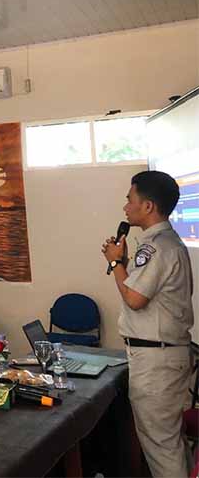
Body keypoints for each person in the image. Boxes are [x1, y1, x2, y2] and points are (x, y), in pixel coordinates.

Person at [101, 170, 194, 478]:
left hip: (157, 362)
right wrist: (124, 263)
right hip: (161, 357)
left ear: (148, 206)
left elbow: (135, 299)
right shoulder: (165, 243)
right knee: (167, 444)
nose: (125, 207)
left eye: (130, 199)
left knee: (162, 447)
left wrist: (116, 262)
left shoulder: (158, 247)